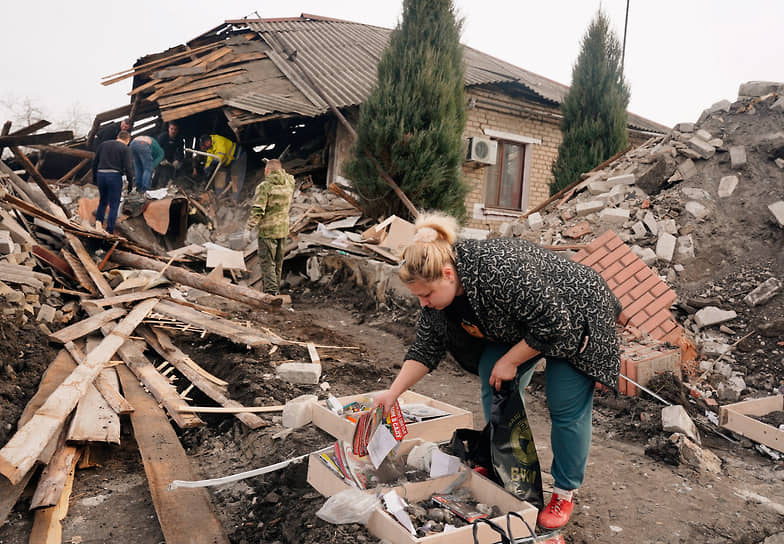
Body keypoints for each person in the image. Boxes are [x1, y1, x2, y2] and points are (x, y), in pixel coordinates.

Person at [371, 212, 622, 530]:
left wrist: (512, 360)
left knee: (564, 404)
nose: (423, 303)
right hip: (528, 321)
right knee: (494, 375)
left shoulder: (497, 269)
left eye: (426, 295)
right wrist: (393, 393)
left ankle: (564, 492)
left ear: (448, 274)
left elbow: (555, 324)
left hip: (575, 314)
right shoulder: (440, 297)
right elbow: (425, 348)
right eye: (418, 296)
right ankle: (502, 462)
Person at [246, 159, 295, 295]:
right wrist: (277, 167)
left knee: (268, 264)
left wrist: (248, 228)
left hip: (267, 233)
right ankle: (275, 291)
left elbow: (258, 210)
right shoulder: (289, 183)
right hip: (283, 231)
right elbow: (289, 176)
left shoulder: (265, 187)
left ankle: (271, 294)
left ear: (267, 171)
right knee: (278, 265)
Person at [91, 130, 134, 234]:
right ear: (128, 140)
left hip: (101, 174)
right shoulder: (125, 148)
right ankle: (109, 230)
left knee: (103, 202)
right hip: (114, 176)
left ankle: (98, 225)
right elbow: (128, 168)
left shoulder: (103, 144)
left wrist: (94, 178)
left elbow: (95, 162)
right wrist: (130, 184)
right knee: (114, 204)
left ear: (117, 136)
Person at [197, 134, 247, 201]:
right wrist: (207, 169)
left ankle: (235, 199)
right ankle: (219, 196)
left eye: (204, 146)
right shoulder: (209, 148)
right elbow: (209, 158)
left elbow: (220, 155)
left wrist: (212, 165)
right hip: (225, 161)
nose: (204, 148)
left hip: (237, 157)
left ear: (208, 141)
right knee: (219, 176)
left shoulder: (218, 140)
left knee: (235, 178)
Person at [154, 121, 185, 187]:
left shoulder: (179, 139)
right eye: (171, 129)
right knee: (157, 173)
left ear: (177, 130)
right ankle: (152, 186)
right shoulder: (162, 137)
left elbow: (181, 152)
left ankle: (165, 187)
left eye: (175, 129)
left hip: (170, 158)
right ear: (168, 129)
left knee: (169, 174)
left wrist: (177, 160)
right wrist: (161, 159)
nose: (173, 131)